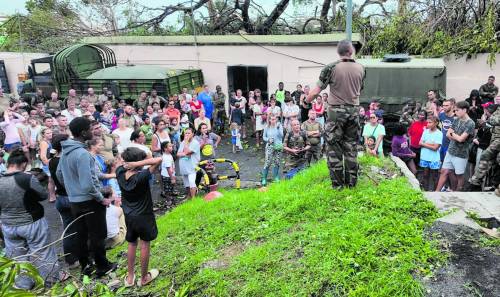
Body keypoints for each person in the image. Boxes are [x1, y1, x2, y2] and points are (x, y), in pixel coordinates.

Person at [56, 117, 116, 277]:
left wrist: (71, 188)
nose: (93, 131)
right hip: (89, 201)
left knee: (81, 235)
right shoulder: (83, 154)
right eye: (91, 128)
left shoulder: (65, 152)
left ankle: (86, 267)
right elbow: (88, 184)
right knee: (98, 234)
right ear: (83, 133)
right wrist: (100, 198)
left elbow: (59, 174)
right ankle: (102, 265)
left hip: (74, 201)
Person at [0, 149, 65, 289]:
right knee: (43, 252)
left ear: (8, 163)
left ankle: (23, 285)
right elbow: (42, 195)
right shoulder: (26, 178)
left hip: (8, 225)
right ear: (23, 164)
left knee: (17, 257)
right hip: (31, 222)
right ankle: (50, 281)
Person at [305, 40, 365, 189]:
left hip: (336, 113)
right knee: (351, 148)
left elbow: (316, 91)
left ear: (338, 52)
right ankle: (351, 184)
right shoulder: (361, 68)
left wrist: (306, 101)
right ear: (351, 51)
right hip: (354, 111)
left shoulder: (331, 67)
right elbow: (359, 89)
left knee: (334, 148)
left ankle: (338, 186)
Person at [116, 148, 161, 287]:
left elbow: (120, 161)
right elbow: (158, 159)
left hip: (129, 215)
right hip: (143, 216)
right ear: (138, 162)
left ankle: (130, 278)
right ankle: (143, 279)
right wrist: (137, 164)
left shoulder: (119, 172)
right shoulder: (141, 177)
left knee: (132, 243)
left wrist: (133, 163)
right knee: (145, 244)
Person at [49, 133, 79, 268]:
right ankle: (83, 256)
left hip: (60, 198)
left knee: (68, 230)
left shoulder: (52, 161)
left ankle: (71, 260)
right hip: (70, 197)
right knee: (80, 227)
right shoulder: (66, 160)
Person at [435, 101, 475, 192]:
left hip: (461, 154)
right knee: (444, 171)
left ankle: (457, 193)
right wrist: (455, 136)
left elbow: (461, 139)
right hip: (450, 150)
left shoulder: (470, 123)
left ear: (464, 110)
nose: (455, 112)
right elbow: (448, 134)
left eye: (457, 110)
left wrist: (453, 134)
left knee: (459, 176)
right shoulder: (456, 119)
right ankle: (436, 192)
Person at [468, 103, 500, 190]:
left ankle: (476, 183)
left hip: (497, 140)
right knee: (495, 161)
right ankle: (494, 184)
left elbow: (494, 120)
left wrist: (487, 121)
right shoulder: (498, 109)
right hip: (495, 139)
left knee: (487, 156)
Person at [418, 116, 443, 191]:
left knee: (435, 176)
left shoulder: (439, 133)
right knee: (425, 175)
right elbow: (420, 143)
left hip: (434, 158)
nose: (427, 124)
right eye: (427, 122)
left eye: (430, 122)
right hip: (424, 157)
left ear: (436, 123)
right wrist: (431, 144)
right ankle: (426, 191)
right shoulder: (425, 131)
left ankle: (435, 192)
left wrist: (424, 144)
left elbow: (435, 148)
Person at [177, 128, 200, 199]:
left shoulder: (195, 143)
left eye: (188, 133)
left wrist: (186, 143)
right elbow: (178, 154)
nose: (186, 135)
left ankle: (193, 198)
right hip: (183, 166)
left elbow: (187, 151)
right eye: (185, 133)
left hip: (192, 166)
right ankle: (188, 196)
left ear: (193, 134)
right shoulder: (182, 142)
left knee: (191, 182)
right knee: (186, 183)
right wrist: (185, 153)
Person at [261, 114, 284, 186]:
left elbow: (281, 135)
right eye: (272, 119)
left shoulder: (279, 126)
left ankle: (276, 177)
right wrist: (268, 139)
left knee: (277, 162)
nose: (274, 121)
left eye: (275, 119)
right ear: (270, 120)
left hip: (278, 146)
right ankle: (264, 178)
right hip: (270, 146)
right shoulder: (267, 127)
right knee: (268, 162)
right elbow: (264, 137)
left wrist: (277, 128)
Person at [39, 127, 56, 202]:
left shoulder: (49, 141)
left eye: (50, 132)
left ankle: (54, 195)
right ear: (43, 135)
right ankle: (52, 197)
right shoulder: (44, 143)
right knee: (51, 180)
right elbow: (42, 156)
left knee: (53, 180)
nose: (50, 134)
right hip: (48, 164)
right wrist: (48, 165)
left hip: (51, 162)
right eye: (47, 133)